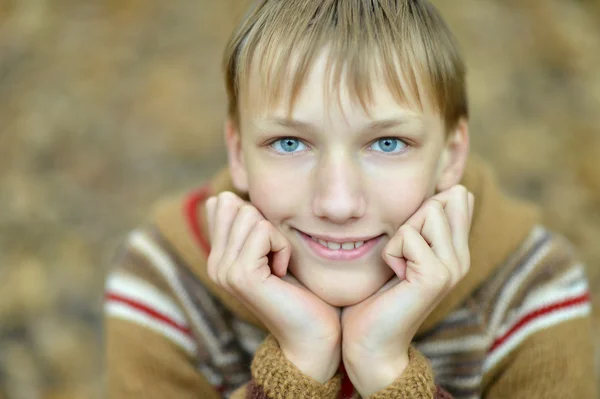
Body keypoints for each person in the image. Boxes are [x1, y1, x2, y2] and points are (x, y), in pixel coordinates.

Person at [103, 1, 597, 398]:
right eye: (290, 143)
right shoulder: (165, 285)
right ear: (237, 152)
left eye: (387, 144)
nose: (338, 204)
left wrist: (386, 370)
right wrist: (296, 369)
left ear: (451, 155)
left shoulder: (530, 294)